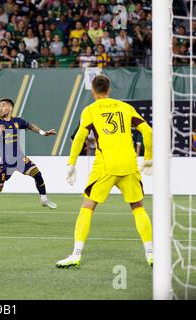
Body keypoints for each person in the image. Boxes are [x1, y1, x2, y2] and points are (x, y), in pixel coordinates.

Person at [57, 74, 153, 268]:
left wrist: (72, 163)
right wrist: (149, 157)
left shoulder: (90, 110)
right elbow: (148, 132)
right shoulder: (126, 107)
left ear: (93, 91)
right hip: (129, 164)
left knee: (87, 207)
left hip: (105, 166)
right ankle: (151, 254)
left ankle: (76, 254)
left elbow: (79, 137)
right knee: (138, 207)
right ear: (109, 89)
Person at [0, 98, 58, 209]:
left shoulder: (17, 121)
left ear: (10, 108)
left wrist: (43, 133)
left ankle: (44, 199)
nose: (0, 108)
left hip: (18, 158)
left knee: (37, 173)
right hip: (3, 162)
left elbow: (30, 126)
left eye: (3, 105)